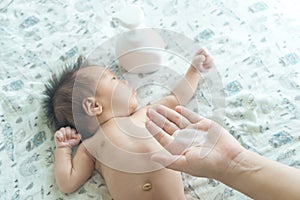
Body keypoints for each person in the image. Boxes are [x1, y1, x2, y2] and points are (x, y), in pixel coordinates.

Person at [43, 49, 214, 200]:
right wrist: (63, 149)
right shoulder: (90, 147)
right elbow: (67, 182)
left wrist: (194, 71)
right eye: (114, 79)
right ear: (94, 106)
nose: (124, 81)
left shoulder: (142, 116)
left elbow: (175, 98)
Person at [145, 105, 300, 200]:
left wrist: (193, 71)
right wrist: (232, 162)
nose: (124, 81)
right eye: (118, 79)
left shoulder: (144, 112)